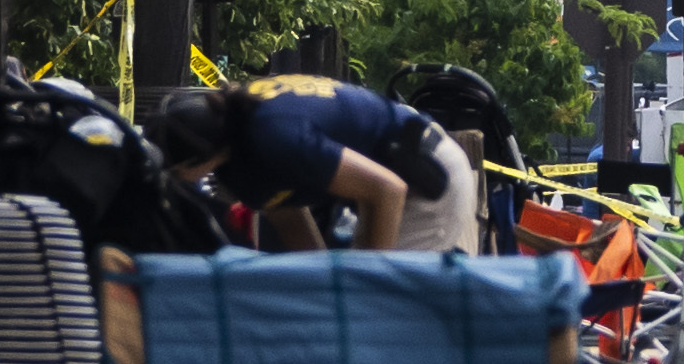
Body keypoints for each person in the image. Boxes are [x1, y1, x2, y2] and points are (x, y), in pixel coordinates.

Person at [142, 76, 470, 256]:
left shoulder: (274, 136)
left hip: (424, 179)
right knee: (353, 306)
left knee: (377, 314)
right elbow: (289, 220)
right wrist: (324, 289)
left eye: (174, 172)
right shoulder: (242, 137)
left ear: (197, 159)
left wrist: (366, 289)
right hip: (393, 175)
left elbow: (387, 190)